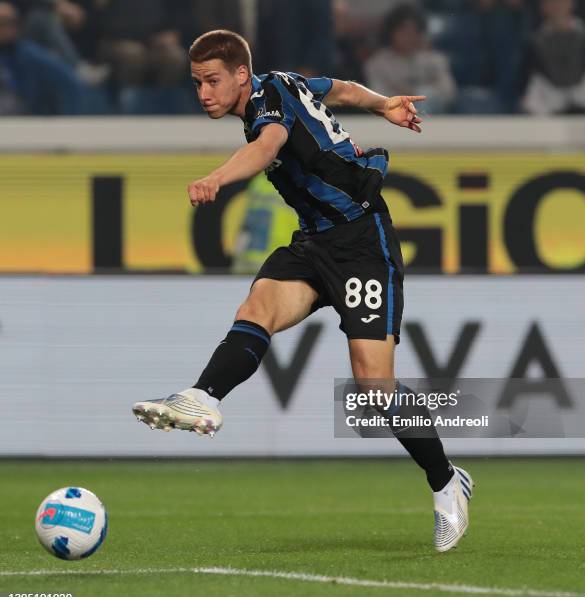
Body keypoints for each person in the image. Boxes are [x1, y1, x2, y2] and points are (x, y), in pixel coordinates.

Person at [132, 29, 474, 552]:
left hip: (362, 241)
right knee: (258, 307)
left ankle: (447, 480)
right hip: (315, 243)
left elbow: (266, 146)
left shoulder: (267, 105)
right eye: (197, 82)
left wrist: (217, 179)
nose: (204, 92)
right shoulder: (285, 82)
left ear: (241, 76)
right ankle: (203, 397)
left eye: (213, 81)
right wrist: (384, 105)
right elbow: (339, 89)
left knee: (374, 389)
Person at [365, 4, 456, 114]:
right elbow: (378, 98)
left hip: (433, 117)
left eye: (413, 32)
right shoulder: (377, 64)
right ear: (391, 32)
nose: (408, 37)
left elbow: (448, 91)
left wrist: (417, 92)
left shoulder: (434, 60)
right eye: (402, 31)